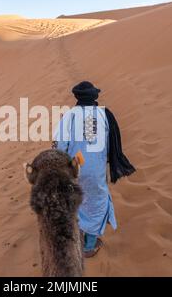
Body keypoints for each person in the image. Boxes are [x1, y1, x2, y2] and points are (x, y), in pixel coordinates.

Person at [53, 81, 136, 258]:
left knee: (77, 202)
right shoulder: (104, 115)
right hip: (96, 171)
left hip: (73, 170)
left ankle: (79, 239)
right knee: (95, 204)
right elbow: (110, 144)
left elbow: (60, 146)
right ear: (94, 96)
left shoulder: (69, 116)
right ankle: (89, 246)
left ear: (77, 97)